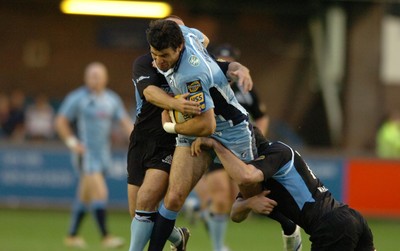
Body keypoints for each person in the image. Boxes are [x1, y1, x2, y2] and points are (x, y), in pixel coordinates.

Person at [127, 16, 255, 251]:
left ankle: (288, 228)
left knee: (249, 195)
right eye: (154, 53)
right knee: (153, 203)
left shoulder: (190, 73)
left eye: (164, 56)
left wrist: (172, 126)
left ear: (180, 43)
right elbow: (151, 92)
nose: (158, 61)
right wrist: (177, 105)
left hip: (200, 134)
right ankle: (176, 239)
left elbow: (207, 124)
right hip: (157, 136)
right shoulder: (149, 60)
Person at [191, 128, 376, 251]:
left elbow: (245, 176)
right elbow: (235, 214)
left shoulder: (278, 152)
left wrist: (216, 145)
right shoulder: (259, 170)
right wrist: (250, 203)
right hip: (348, 218)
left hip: (330, 226)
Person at [189, 43, 275, 251]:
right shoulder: (206, 84)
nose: (225, 64)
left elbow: (262, 116)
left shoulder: (246, 89)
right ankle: (218, 247)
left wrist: (258, 136)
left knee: (230, 202)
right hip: (214, 144)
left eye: (229, 61)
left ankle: (197, 208)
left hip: (240, 147)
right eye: (221, 60)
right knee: (219, 196)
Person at [55, 61, 133, 249]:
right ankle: (106, 237)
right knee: (100, 192)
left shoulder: (111, 99)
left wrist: (138, 141)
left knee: (85, 196)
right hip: (86, 154)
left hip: (103, 154)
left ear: (105, 78)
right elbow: (60, 121)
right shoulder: (77, 98)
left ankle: (72, 236)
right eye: (92, 76)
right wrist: (73, 143)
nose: (95, 79)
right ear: (85, 78)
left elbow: (125, 123)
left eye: (98, 76)